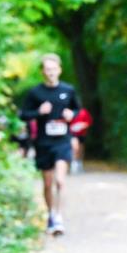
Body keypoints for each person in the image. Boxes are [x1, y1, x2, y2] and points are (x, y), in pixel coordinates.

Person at [19, 54, 82, 235]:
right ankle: (50, 214)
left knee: (60, 181)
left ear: (59, 70)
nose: (51, 73)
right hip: (43, 143)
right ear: (42, 72)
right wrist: (39, 112)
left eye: (54, 69)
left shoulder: (68, 90)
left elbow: (77, 109)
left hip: (62, 141)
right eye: (47, 69)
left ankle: (59, 216)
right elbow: (24, 114)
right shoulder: (35, 92)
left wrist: (72, 114)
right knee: (47, 183)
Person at [69, 107, 93, 174]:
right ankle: (73, 165)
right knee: (74, 148)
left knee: (80, 149)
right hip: (71, 134)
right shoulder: (68, 111)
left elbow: (88, 122)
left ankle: (79, 164)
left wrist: (82, 125)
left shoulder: (83, 112)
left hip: (81, 134)